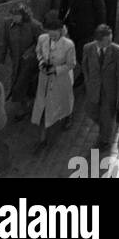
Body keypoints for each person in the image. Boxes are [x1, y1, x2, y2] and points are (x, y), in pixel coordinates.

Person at [31, 11, 76, 149]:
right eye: (50, 33)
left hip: (61, 78)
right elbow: (38, 51)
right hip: (45, 78)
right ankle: (43, 139)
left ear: (61, 31)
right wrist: (41, 63)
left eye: (55, 33)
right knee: (44, 105)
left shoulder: (68, 45)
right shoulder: (42, 39)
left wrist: (55, 70)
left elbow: (71, 64)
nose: (52, 36)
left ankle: (68, 115)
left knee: (63, 100)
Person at [81, 25, 119, 152]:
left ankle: (104, 141)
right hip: (94, 88)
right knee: (90, 110)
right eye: (107, 40)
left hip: (110, 91)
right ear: (99, 40)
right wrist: (88, 81)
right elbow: (85, 66)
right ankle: (105, 129)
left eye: (111, 38)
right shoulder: (88, 48)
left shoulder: (117, 51)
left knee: (107, 116)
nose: (110, 42)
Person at [62, 0, 106, 66]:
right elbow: (64, 6)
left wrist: (100, 28)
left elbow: (100, 9)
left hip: (88, 28)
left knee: (83, 54)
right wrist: (62, 23)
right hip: (73, 28)